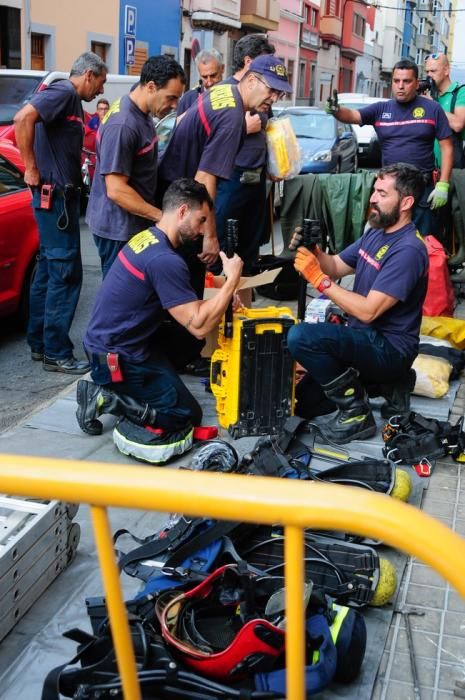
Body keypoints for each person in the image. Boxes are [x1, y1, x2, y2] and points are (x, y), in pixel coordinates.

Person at [76, 178, 243, 439]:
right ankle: (108, 397)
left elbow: (188, 310)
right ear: (183, 211)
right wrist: (232, 281)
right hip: (115, 359)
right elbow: (199, 326)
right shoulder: (164, 260)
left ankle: (141, 385)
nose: (202, 231)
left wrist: (223, 296)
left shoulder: (148, 238)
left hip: (110, 345)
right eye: (201, 220)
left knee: (186, 341)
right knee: (185, 414)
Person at [156, 54, 292, 374]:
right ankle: (181, 357)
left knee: (182, 277)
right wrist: (209, 236)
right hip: (181, 199)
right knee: (186, 276)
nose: (274, 98)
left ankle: (180, 353)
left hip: (176, 193)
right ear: (253, 80)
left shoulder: (227, 91)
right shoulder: (233, 116)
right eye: (272, 90)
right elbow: (206, 181)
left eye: (280, 94)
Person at [287, 163, 429, 445]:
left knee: (300, 336)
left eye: (382, 193)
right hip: (363, 338)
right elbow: (337, 265)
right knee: (305, 405)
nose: (373, 198)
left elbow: (368, 309)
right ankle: (387, 386)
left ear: (406, 202)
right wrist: (314, 252)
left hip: (389, 350)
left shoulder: (409, 250)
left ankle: (357, 415)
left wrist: (319, 279)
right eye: (374, 191)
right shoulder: (376, 231)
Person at [14, 51, 107, 374]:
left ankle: (40, 345)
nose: (101, 91)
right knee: (66, 275)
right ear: (89, 75)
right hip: (54, 199)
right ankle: (55, 351)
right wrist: (30, 168)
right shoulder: (64, 92)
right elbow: (22, 118)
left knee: (49, 272)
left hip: (57, 199)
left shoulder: (70, 104)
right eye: (101, 82)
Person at [326, 59, 454, 238]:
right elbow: (354, 115)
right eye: (396, 81)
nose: (400, 86)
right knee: (380, 239)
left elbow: (447, 147)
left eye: (407, 81)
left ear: (417, 83)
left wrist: (443, 184)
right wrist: (336, 110)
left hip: (422, 190)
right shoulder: (381, 109)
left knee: (423, 243)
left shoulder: (432, 109)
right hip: (389, 190)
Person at [86, 55, 185, 277]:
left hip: (130, 225)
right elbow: (116, 190)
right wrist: (161, 217)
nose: (174, 105)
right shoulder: (123, 125)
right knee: (120, 298)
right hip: (118, 230)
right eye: (170, 98)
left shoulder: (139, 107)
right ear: (150, 87)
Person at [213, 34, 277, 276]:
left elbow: (267, 125)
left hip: (257, 178)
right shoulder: (224, 91)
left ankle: (245, 307)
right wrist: (243, 126)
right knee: (222, 249)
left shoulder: (264, 93)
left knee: (249, 253)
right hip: (230, 180)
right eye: (266, 62)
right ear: (249, 62)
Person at [425, 52, 465, 169]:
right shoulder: (428, 95)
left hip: (452, 168)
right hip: (427, 168)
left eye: (433, 71)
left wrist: (432, 104)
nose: (429, 76)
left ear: (446, 71)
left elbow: (458, 124)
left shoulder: (460, 92)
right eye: (427, 72)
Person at [176, 48, 224, 118]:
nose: (209, 82)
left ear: (222, 68)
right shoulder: (188, 99)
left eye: (213, 75)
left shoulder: (235, 95)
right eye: (204, 77)